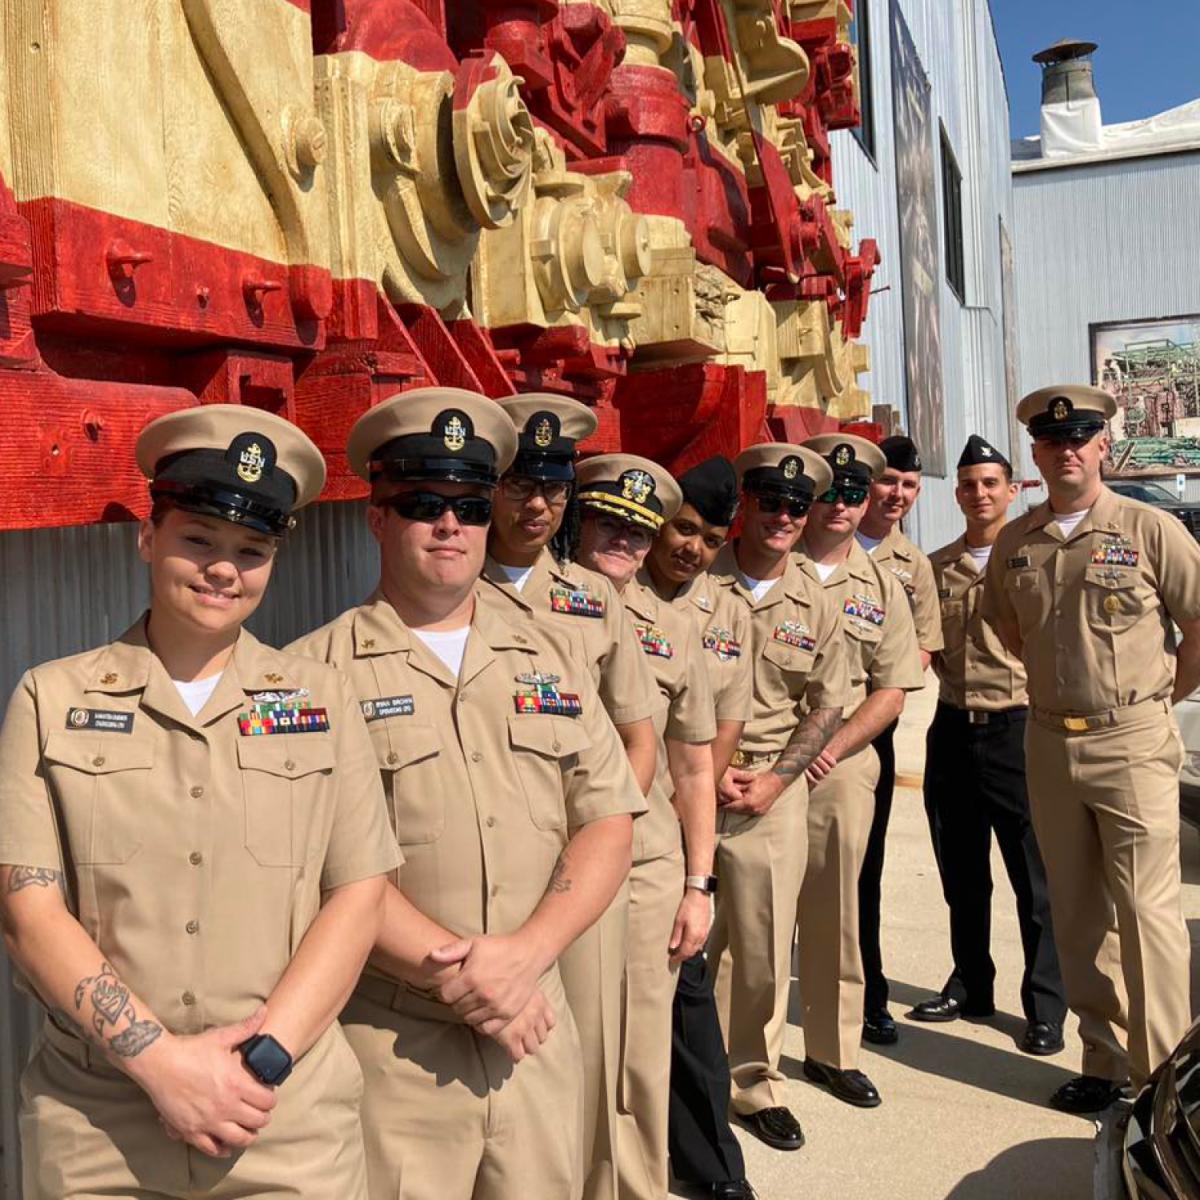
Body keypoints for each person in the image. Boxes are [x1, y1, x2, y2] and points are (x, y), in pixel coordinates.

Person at [0, 405, 400, 1198]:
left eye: (251, 550)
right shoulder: (50, 697)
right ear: (148, 539)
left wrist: (260, 1062)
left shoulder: (325, 699)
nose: (224, 569)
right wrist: (161, 1065)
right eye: (198, 540)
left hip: (281, 1119)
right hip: (98, 1124)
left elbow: (358, 892)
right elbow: (28, 910)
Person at [290, 387, 645, 1199]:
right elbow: (324, 867)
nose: (449, 526)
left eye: (468, 506)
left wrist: (525, 959)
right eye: (421, 503)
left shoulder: (552, 653)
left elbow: (607, 819)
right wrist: (471, 980)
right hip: (397, 1050)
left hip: (537, 1037)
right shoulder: (312, 677)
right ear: (376, 517)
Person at [982, 384, 1200, 1113]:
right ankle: (1104, 1062)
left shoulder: (1149, 528)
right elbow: (1009, 629)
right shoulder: (1016, 541)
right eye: (1051, 441)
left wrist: (1157, 700)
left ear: (1104, 444)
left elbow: (1196, 624)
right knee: (1075, 913)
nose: (1066, 449)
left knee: (1147, 914)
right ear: (1035, 454)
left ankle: (1164, 1080)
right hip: (1049, 741)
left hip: (1132, 741)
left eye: (1080, 437)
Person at [475, 393, 658, 1200]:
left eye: (552, 489)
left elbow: (640, 735)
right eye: (519, 485)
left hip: (578, 874)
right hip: (482, 861)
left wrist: (598, 837)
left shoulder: (595, 598)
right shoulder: (447, 589)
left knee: (587, 1052)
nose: (538, 504)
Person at [572, 454, 717, 1200]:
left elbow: (694, 770)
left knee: (636, 1057)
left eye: (638, 530)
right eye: (608, 524)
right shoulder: (521, 609)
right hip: (542, 864)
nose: (623, 542)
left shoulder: (672, 628)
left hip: (644, 868)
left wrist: (699, 884)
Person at [706, 443, 850, 1153]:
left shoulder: (818, 603)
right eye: (770, 500)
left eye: (798, 505)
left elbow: (827, 707)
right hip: (691, 786)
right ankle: (685, 1078)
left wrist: (772, 781)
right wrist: (706, 774)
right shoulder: (697, 579)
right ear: (746, 502)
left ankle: (754, 1084)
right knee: (686, 946)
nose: (784, 515)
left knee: (762, 952)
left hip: (770, 788)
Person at [911, 435, 1067, 1055]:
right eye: (969, 484)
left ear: (1012, 488)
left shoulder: (1034, 557)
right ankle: (971, 983)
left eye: (990, 483)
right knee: (962, 874)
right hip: (952, 728)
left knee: (1035, 881)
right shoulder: (936, 567)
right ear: (957, 493)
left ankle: (1046, 1006)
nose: (979, 494)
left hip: (1018, 729)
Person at [795, 434, 924, 1108]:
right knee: (744, 922)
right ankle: (742, 1066)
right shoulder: (761, 563)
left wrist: (835, 746)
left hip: (838, 769)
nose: (842, 503)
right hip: (755, 765)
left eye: (855, 492)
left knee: (835, 912)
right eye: (830, 490)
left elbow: (894, 687)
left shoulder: (881, 586)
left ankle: (831, 1051)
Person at [644, 457, 756, 1200]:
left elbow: (721, 731)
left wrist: (697, 864)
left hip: (674, 831)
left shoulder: (727, 613)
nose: (693, 546)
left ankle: (714, 1170)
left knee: (690, 1010)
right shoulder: (606, 594)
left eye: (710, 538)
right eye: (684, 528)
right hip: (603, 834)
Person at [853, 434, 943, 1045]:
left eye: (909, 486)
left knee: (864, 870)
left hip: (868, 732)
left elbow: (924, 647)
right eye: (888, 482)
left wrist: (877, 698)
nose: (897, 495)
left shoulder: (913, 566)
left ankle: (869, 992)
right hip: (788, 730)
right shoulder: (813, 540)